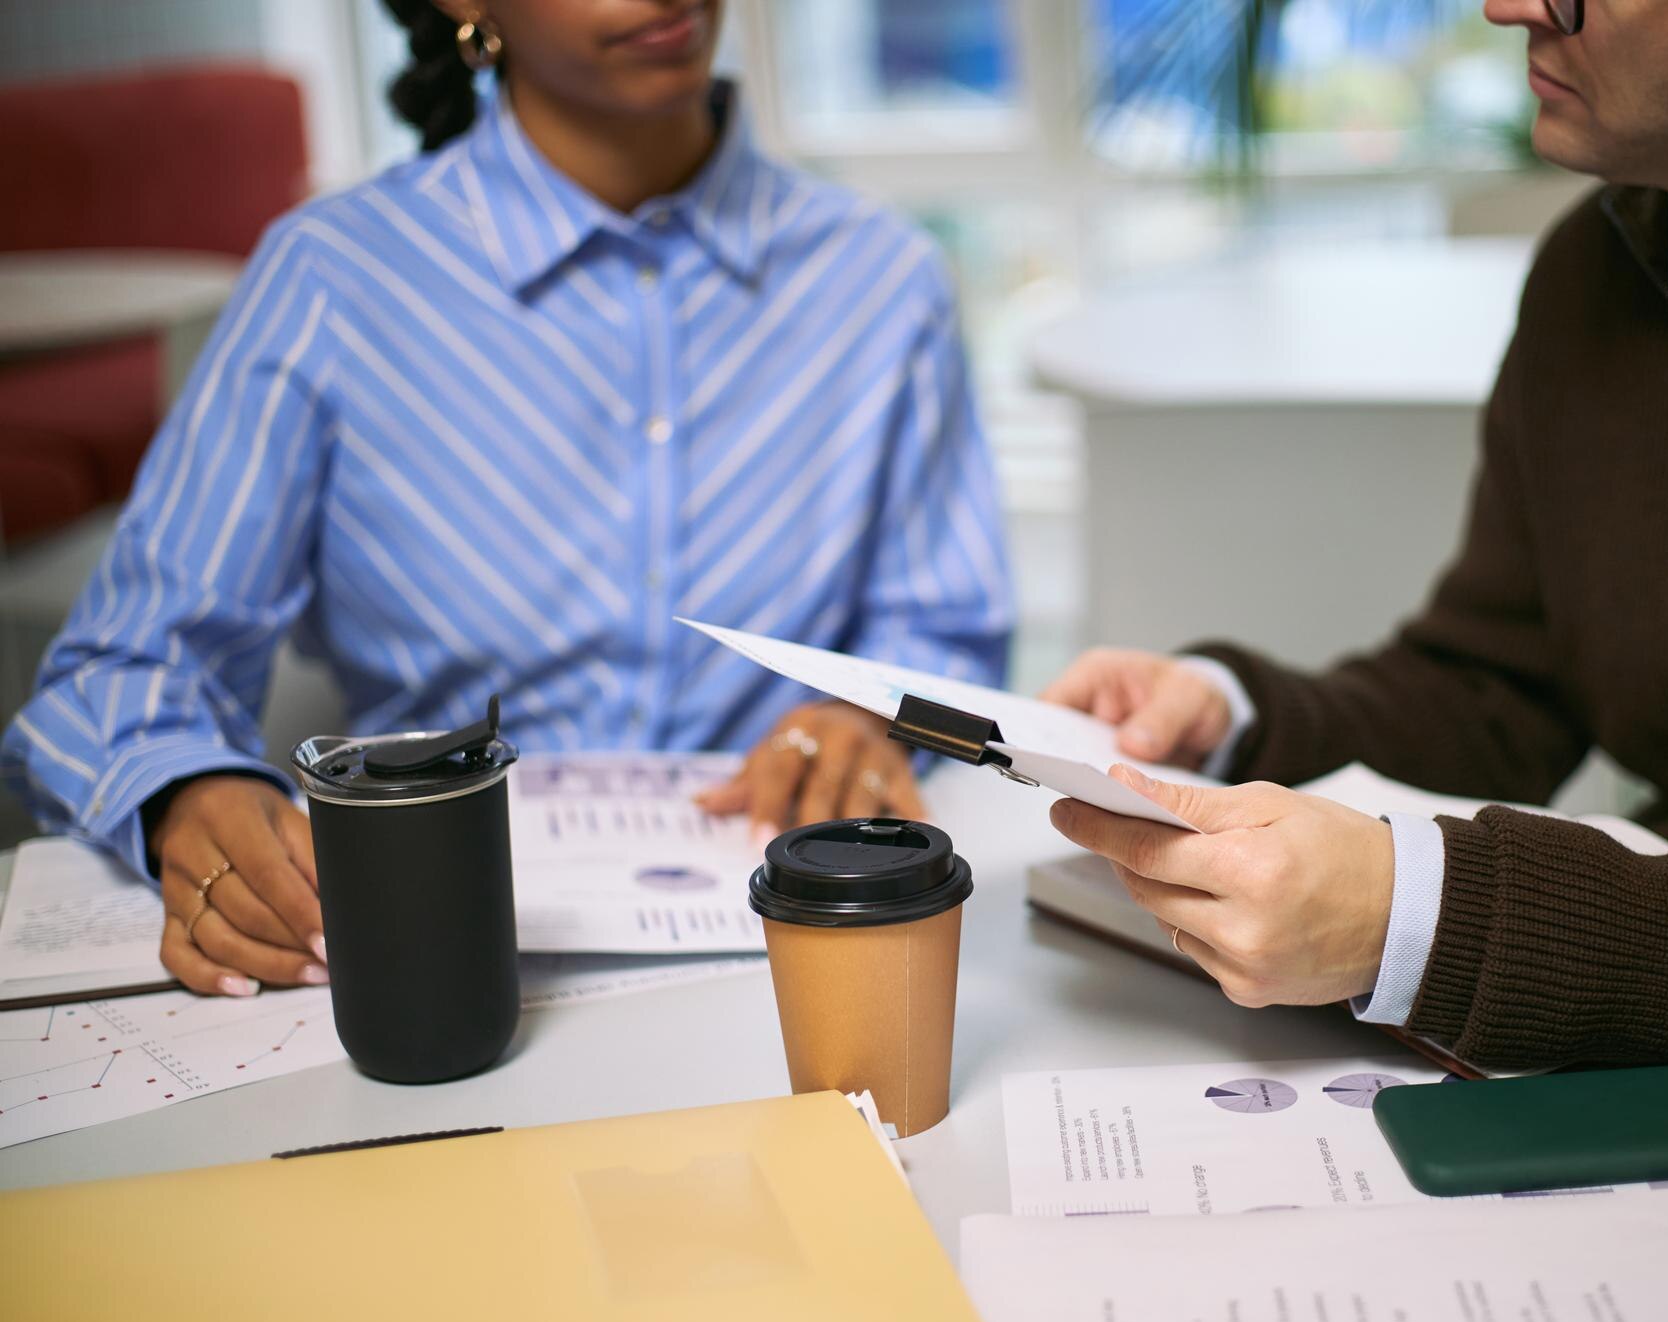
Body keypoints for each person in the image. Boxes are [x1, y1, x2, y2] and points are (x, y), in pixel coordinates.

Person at [1043, 0, 1668, 1092]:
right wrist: (1234, 719)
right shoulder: (1596, 265)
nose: (1509, 6)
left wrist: (1432, 920)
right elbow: (1505, 686)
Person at [0, 0, 1012, 999]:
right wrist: (186, 793)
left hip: (793, 954)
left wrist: (863, 716)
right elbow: (121, 670)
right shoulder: (331, 281)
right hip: (431, 968)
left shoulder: (883, 278)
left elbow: (949, 644)